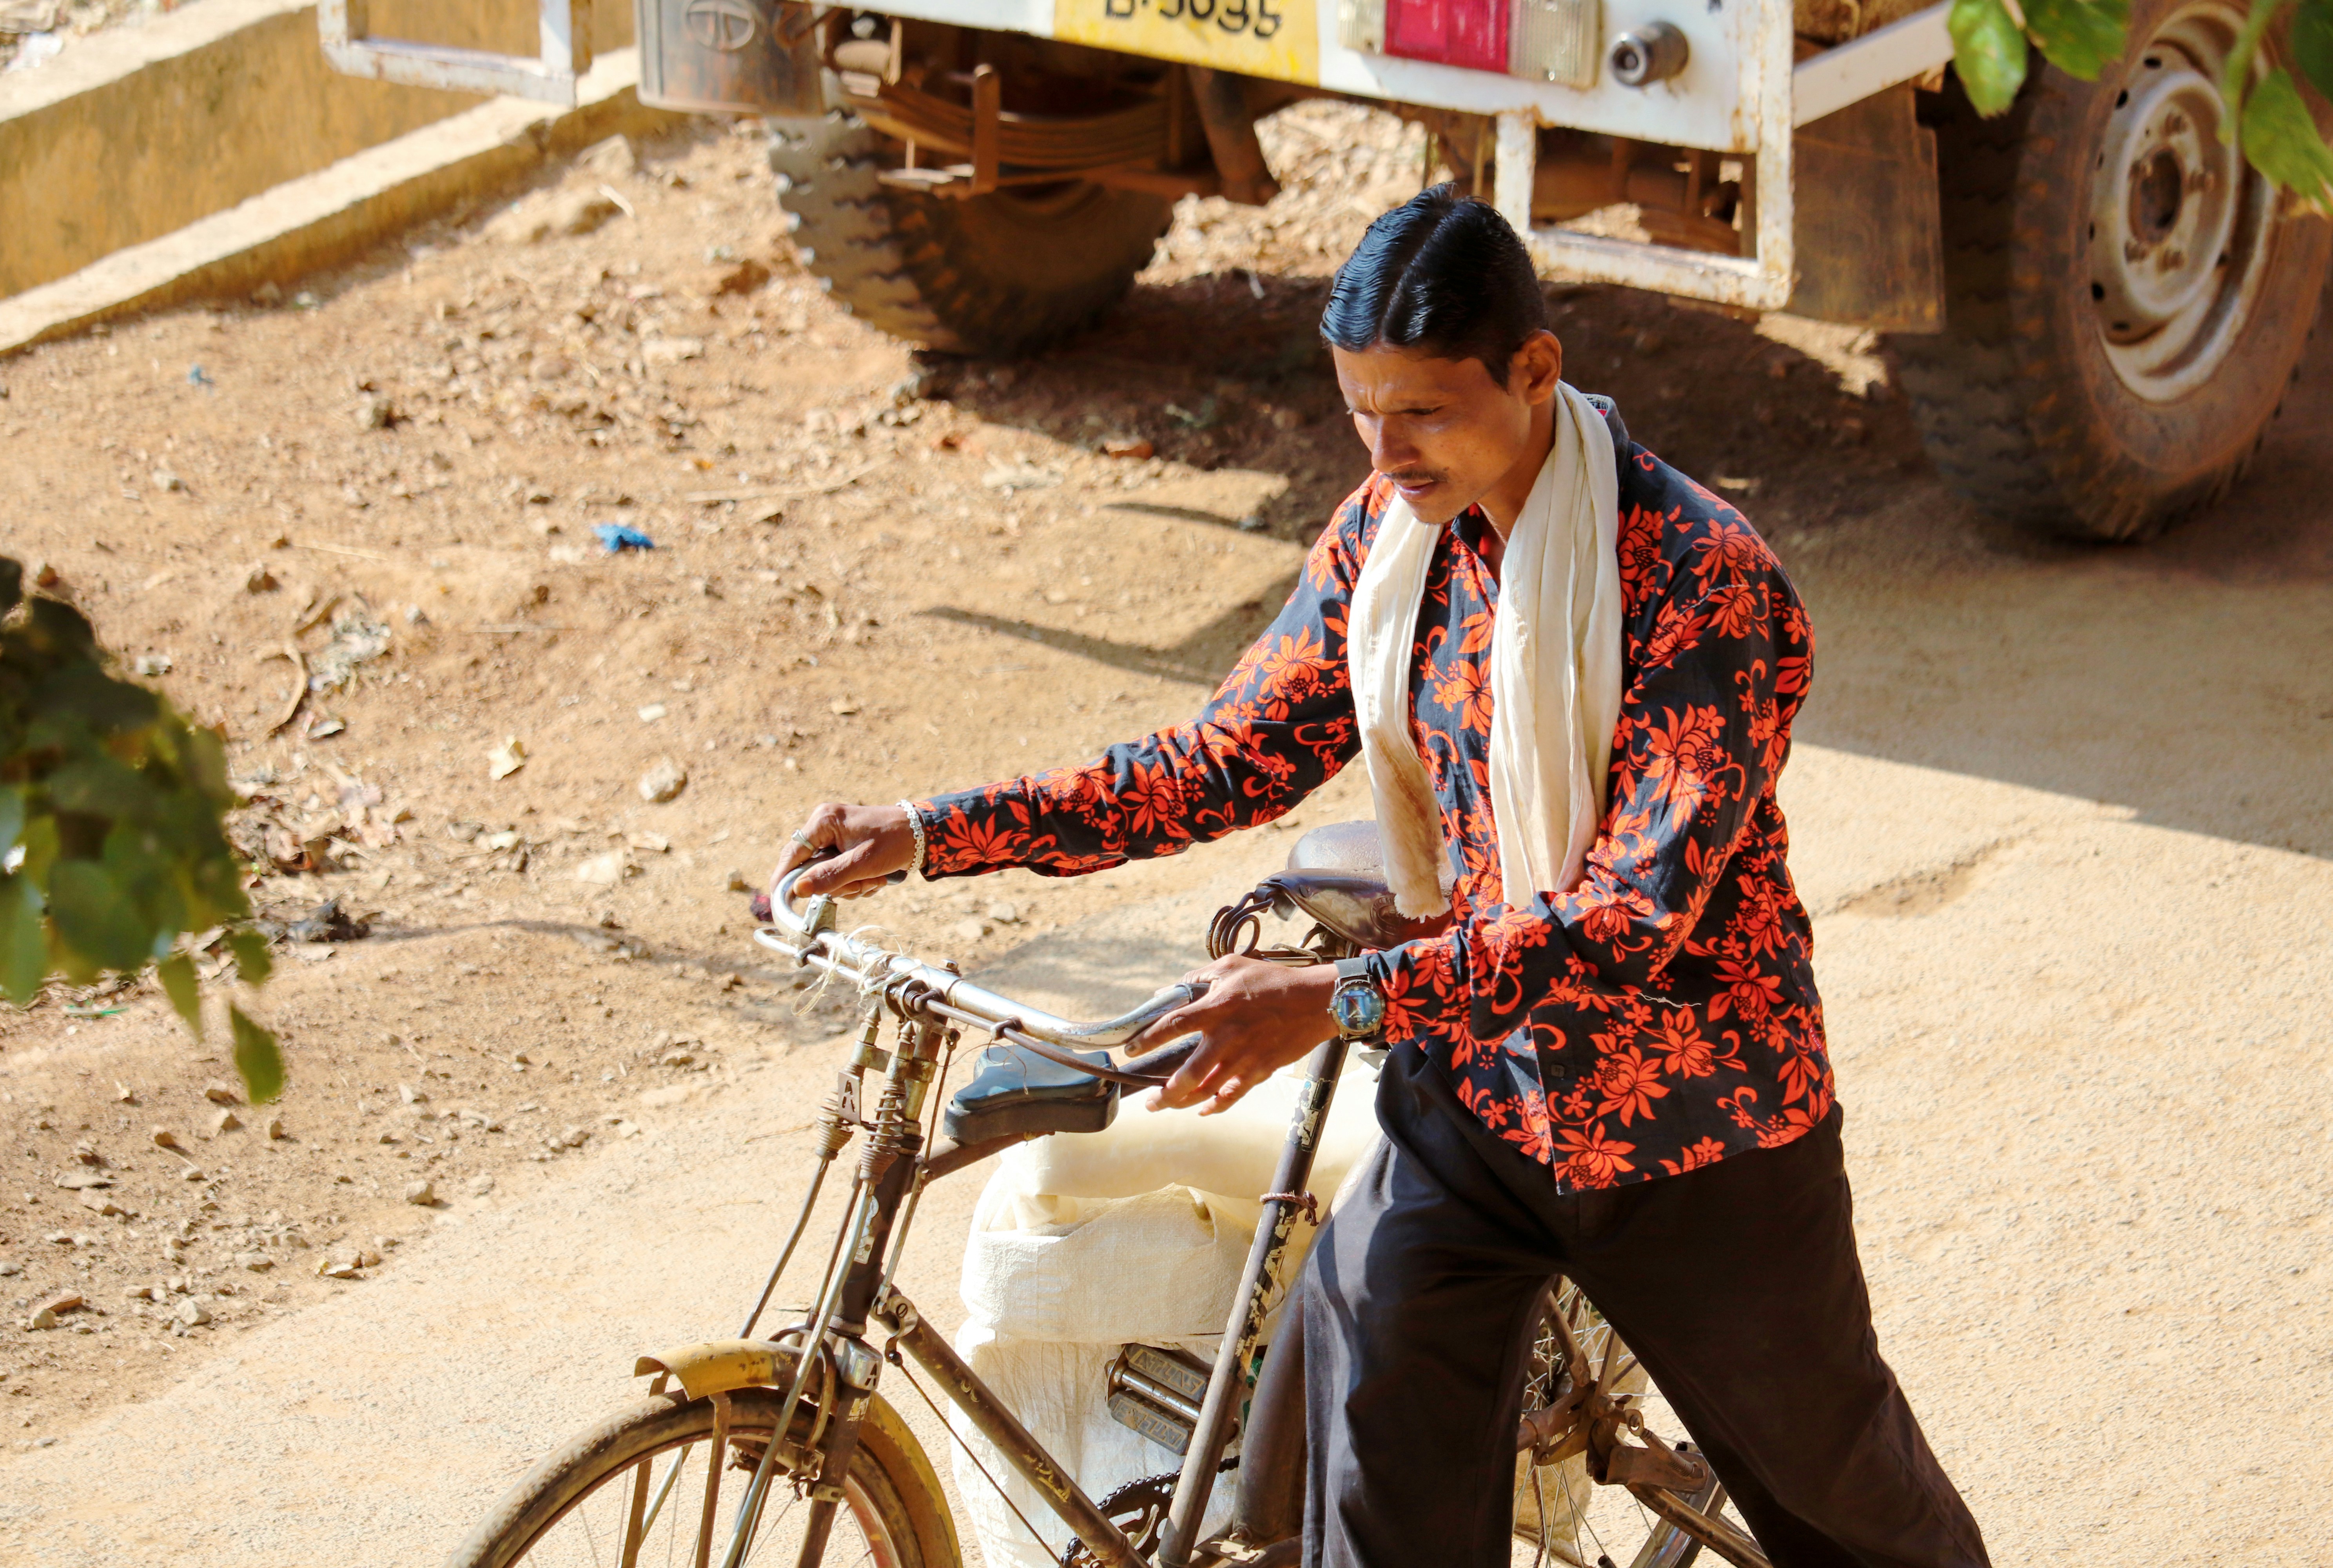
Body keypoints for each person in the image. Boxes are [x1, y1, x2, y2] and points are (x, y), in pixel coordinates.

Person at [770, 187, 1989, 1568]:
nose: (1387, 448)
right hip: (1475, 1104)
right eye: (1361, 409)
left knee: (1848, 1506)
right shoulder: (1390, 538)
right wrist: (930, 831)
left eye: (1422, 410)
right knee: (1374, 1488)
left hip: (1699, 1133)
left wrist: (1331, 1001)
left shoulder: (1703, 579)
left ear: (1535, 369)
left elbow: (1629, 924)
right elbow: (1219, 761)